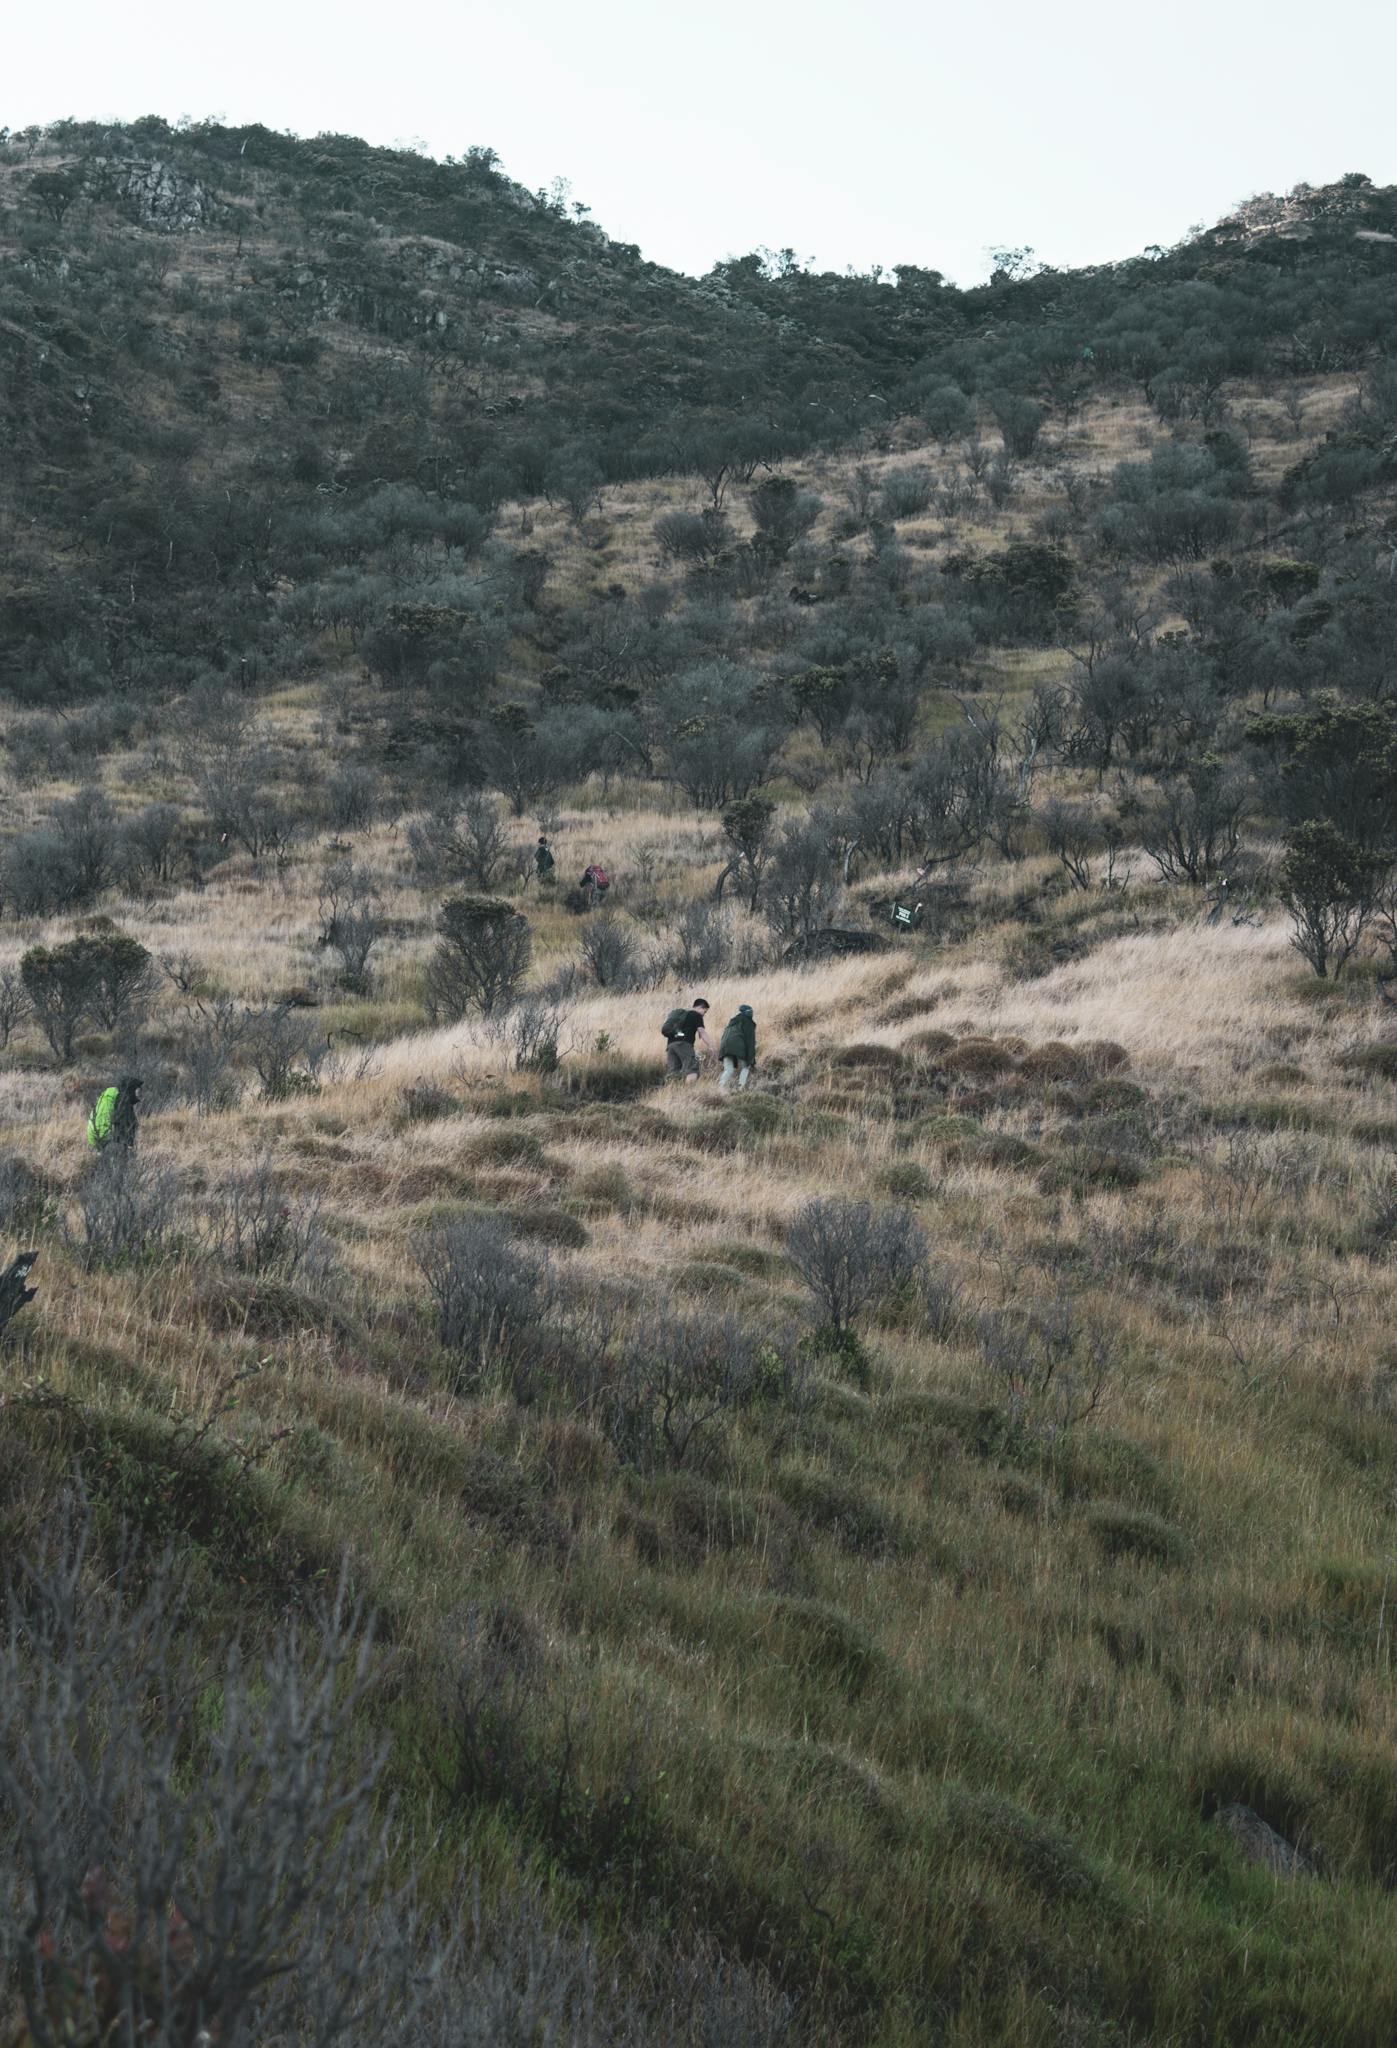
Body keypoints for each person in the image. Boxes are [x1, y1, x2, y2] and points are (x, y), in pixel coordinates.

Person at [87, 1075, 142, 1151]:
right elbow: (125, 1123)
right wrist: (129, 1145)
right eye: (137, 1089)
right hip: (109, 1139)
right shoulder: (123, 1099)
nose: (138, 1093)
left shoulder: (109, 1094)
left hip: (94, 1137)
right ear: (131, 1088)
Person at [661, 999, 712, 1082]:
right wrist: (711, 1046)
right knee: (692, 1070)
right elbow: (702, 1032)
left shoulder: (681, 1016)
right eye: (705, 1012)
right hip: (684, 1044)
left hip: (670, 1046)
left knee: (673, 1073)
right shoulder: (696, 1015)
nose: (704, 1015)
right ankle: (690, 1093)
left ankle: (672, 1092)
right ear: (700, 1007)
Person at [718, 1004, 756, 1091]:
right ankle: (741, 1088)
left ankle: (720, 1088)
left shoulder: (731, 1023)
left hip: (724, 1048)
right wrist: (751, 1059)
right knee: (746, 1067)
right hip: (738, 1047)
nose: (751, 1013)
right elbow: (750, 1042)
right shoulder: (748, 1022)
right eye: (750, 1011)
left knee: (728, 1070)